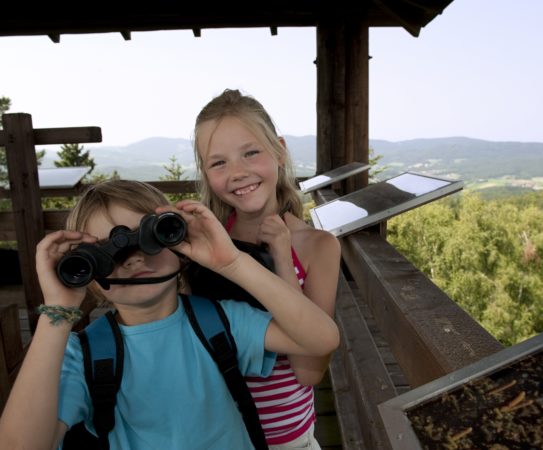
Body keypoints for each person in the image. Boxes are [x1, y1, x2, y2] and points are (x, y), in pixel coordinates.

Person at [0, 180, 339, 450]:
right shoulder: (81, 355)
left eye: (149, 237)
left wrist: (231, 262)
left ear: (177, 240)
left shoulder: (220, 321)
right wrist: (57, 312)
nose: (131, 259)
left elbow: (320, 339)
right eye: (104, 253)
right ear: (86, 272)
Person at [193, 89, 341, 449]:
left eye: (251, 153)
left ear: (279, 150)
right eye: (218, 163)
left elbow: (308, 371)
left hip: (287, 441)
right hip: (213, 436)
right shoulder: (200, 248)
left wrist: (281, 257)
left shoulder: (318, 247)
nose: (238, 173)